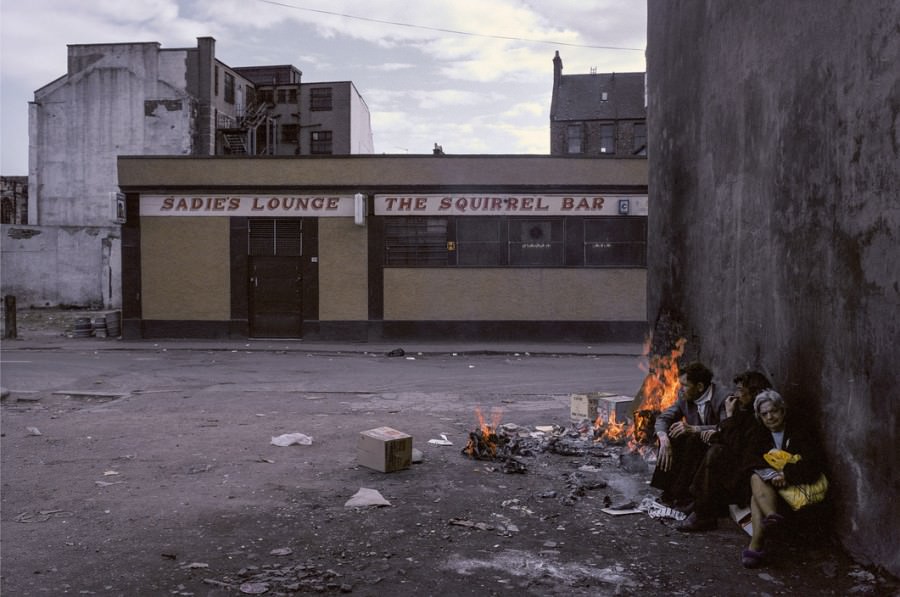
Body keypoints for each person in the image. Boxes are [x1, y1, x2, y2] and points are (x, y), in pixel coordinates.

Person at [676, 370, 772, 532]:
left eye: (741, 390)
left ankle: (704, 514)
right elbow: (730, 436)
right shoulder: (745, 409)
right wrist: (715, 433)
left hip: (749, 469)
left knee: (716, 453)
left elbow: (737, 446)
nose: (736, 395)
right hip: (739, 460)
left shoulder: (760, 415)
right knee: (702, 442)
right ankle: (697, 502)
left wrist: (728, 416)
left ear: (754, 393)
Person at [739, 390, 826, 568]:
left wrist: (786, 474)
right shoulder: (758, 432)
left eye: (774, 411)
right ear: (760, 417)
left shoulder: (800, 429)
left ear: (783, 411)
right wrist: (771, 474)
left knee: (755, 496)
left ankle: (756, 544)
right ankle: (771, 518)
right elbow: (749, 459)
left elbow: (814, 462)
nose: (770, 417)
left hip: (799, 487)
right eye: (764, 414)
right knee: (756, 477)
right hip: (771, 489)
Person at [650, 361, 728, 508]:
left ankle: (684, 495)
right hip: (697, 441)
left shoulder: (722, 398)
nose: (681, 389)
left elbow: (726, 428)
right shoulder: (685, 399)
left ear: (699, 387)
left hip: (718, 444)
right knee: (673, 435)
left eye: (685, 385)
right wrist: (663, 438)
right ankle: (668, 491)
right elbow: (663, 418)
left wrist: (696, 429)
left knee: (691, 439)